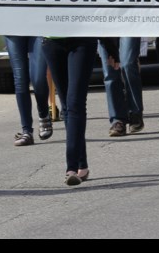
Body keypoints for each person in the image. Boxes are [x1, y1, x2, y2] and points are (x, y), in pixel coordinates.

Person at [42, 36, 119, 186]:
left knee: (75, 103)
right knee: (67, 105)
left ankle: (71, 169)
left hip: (82, 39)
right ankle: (81, 164)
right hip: (52, 40)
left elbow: (96, 13)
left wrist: (111, 48)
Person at [4, 35, 52, 145]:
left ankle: (43, 114)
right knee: (20, 79)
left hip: (38, 28)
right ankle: (26, 131)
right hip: (13, 29)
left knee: (38, 79)